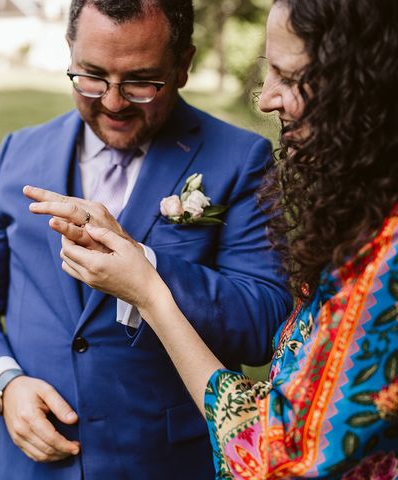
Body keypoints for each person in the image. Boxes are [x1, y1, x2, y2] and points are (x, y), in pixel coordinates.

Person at [40, 0, 398, 477]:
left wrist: (149, 285)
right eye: (268, 71)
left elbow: (275, 453)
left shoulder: (382, 253)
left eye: (289, 78)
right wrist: (3, 382)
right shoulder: (361, 215)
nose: (267, 98)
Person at [0, 0, 291, 478]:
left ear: (182, 65)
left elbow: (265, 321)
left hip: (163, 462)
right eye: (91, 75)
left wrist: (144, 268)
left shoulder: (241, 159)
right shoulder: (16, 154)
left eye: (140, 81)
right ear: (70, 52)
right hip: (30, 465)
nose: (113, 102)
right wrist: (5, 384)